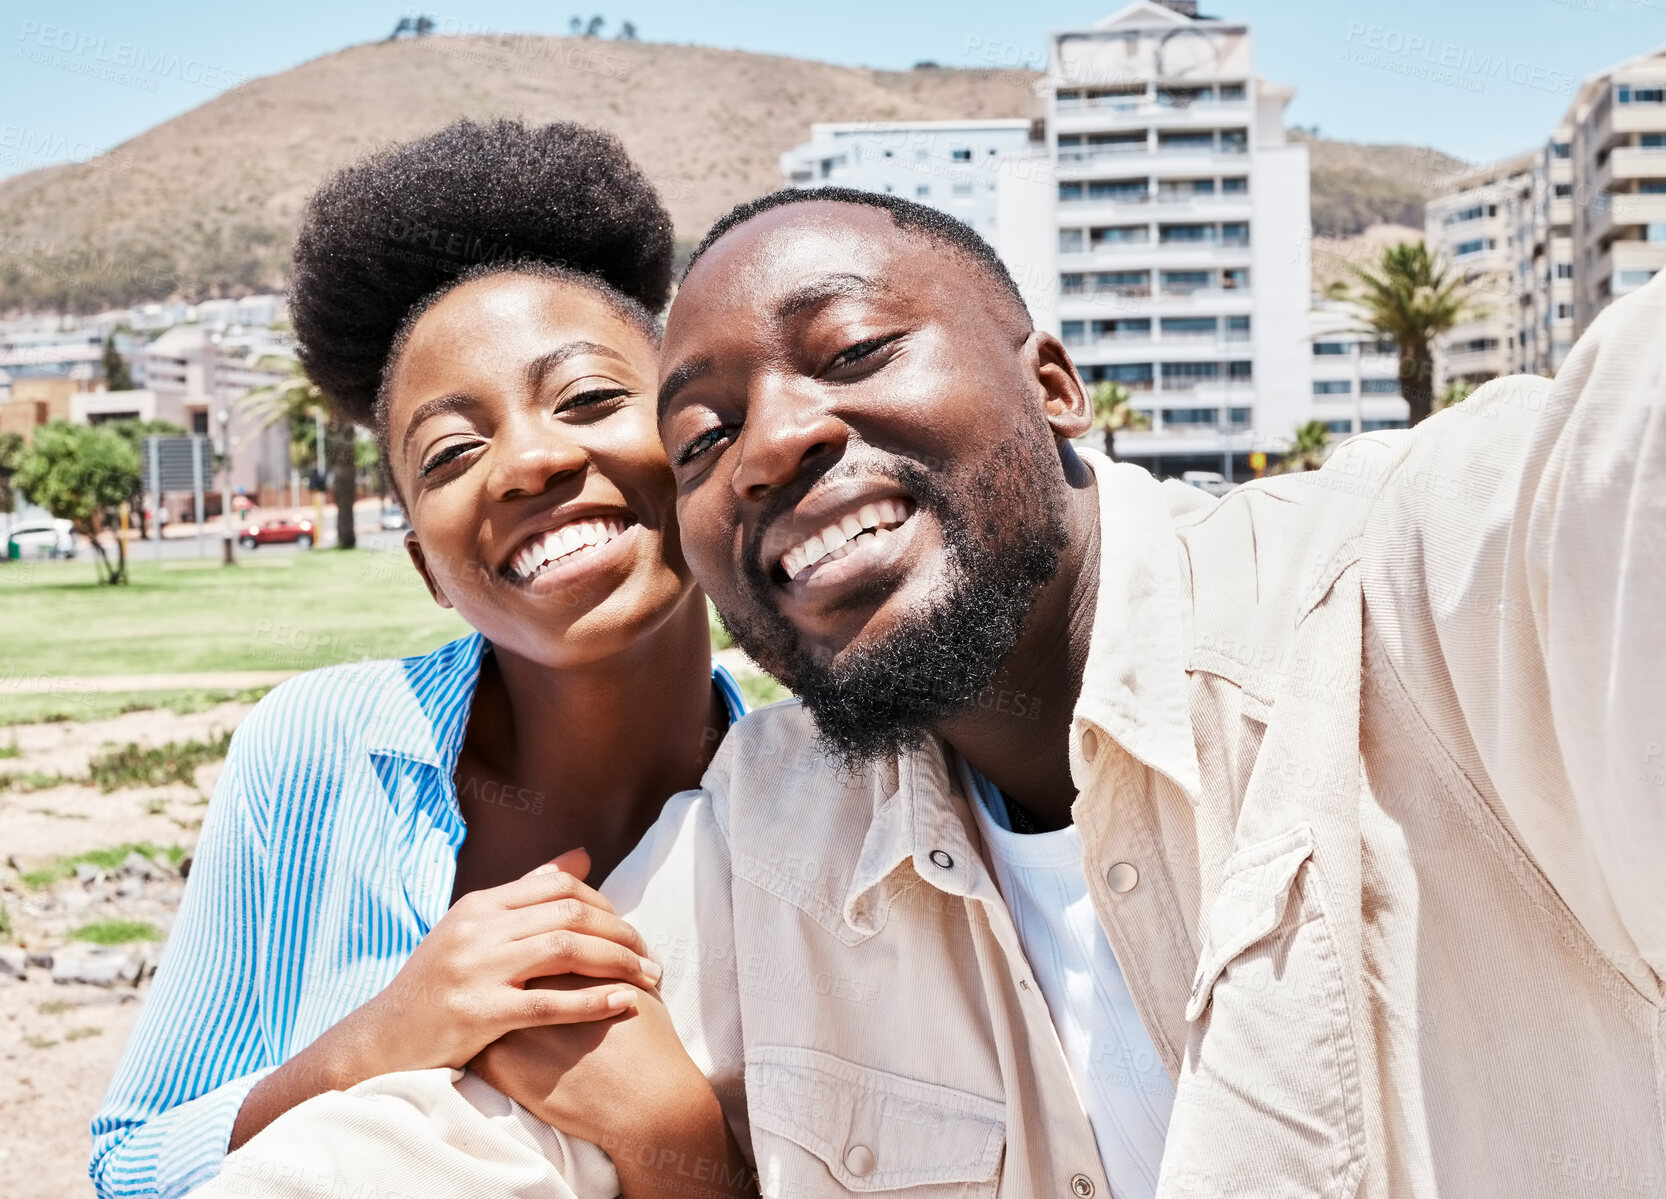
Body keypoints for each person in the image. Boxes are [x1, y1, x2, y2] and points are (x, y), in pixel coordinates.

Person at [647, 188, 1664, 1196]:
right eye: (701, 438)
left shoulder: (1409, 590)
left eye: (854, 349)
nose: (768, 445)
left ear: (1053, 387)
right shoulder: (768, 826)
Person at [89, 119, 752, 1199]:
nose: (533, 458)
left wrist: (675, 1139)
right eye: (451, 451)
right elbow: (130, 1165)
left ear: (692, 437)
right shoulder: (318, 748)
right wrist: (384, 1032)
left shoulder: (814, 798)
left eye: (587, 398)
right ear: (427, 566)